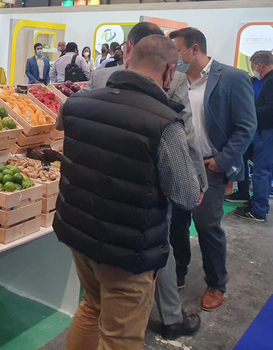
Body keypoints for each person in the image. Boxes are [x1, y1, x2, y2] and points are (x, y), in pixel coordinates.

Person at [55, 35, 201, 350]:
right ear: (169, 70)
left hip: (78, 231)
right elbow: (186, 196)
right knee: (121, 335)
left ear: (129, 57)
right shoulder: (165, 122)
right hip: (129, 247)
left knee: (92, 305)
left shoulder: (77, 104)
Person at [169, 27, 257, 312]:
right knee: (176, 223)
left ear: (194, 49)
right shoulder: (175, 79)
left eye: (177, 51)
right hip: (178, 162)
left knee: (207, 225)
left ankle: (216, 283)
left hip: (210, 165)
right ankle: (178, 270)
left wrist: (223, 160)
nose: (174, 58)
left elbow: (247, 126)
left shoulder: (232, 78)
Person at [233, 51, 273, 222]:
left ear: (259, 66)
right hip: (265, 131)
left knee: (261, 172)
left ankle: (258, 211)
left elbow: (270, 108)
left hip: (267, 131)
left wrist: (249, 111)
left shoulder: (270, 82)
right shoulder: (267, 81)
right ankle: (257, 203)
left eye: (253, 66)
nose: (253, 70)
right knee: (264, 171)